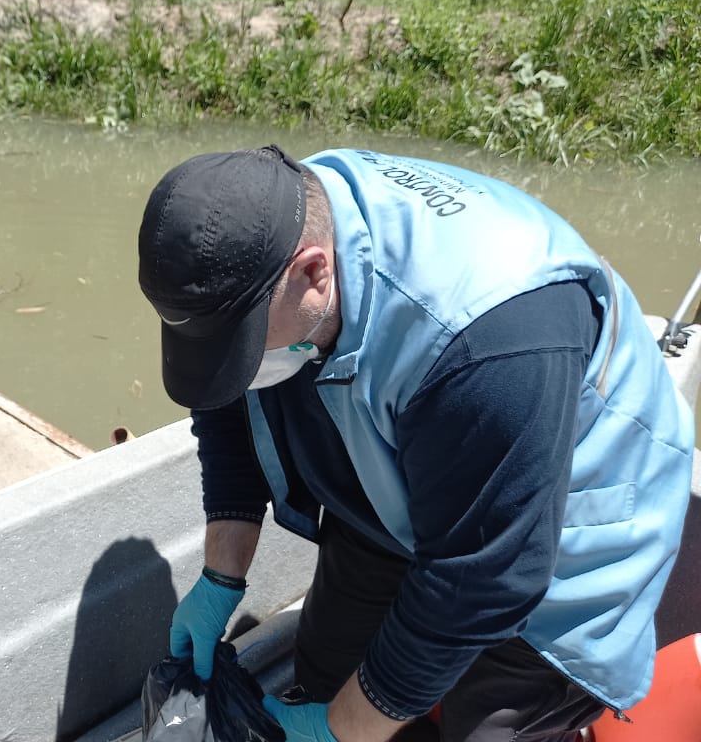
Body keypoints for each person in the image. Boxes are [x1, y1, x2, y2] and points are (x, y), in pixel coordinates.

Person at [136, 144, 694, 742]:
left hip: (556, 537)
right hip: (402, 479)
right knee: (325, 674)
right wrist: (222, 574)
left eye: (244, 345)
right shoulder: (266, 226)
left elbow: (486, 575)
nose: (239, 363)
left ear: (314, 274)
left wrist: (343, 729)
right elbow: (227, 393)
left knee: (477, 726)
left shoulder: (490, 339)